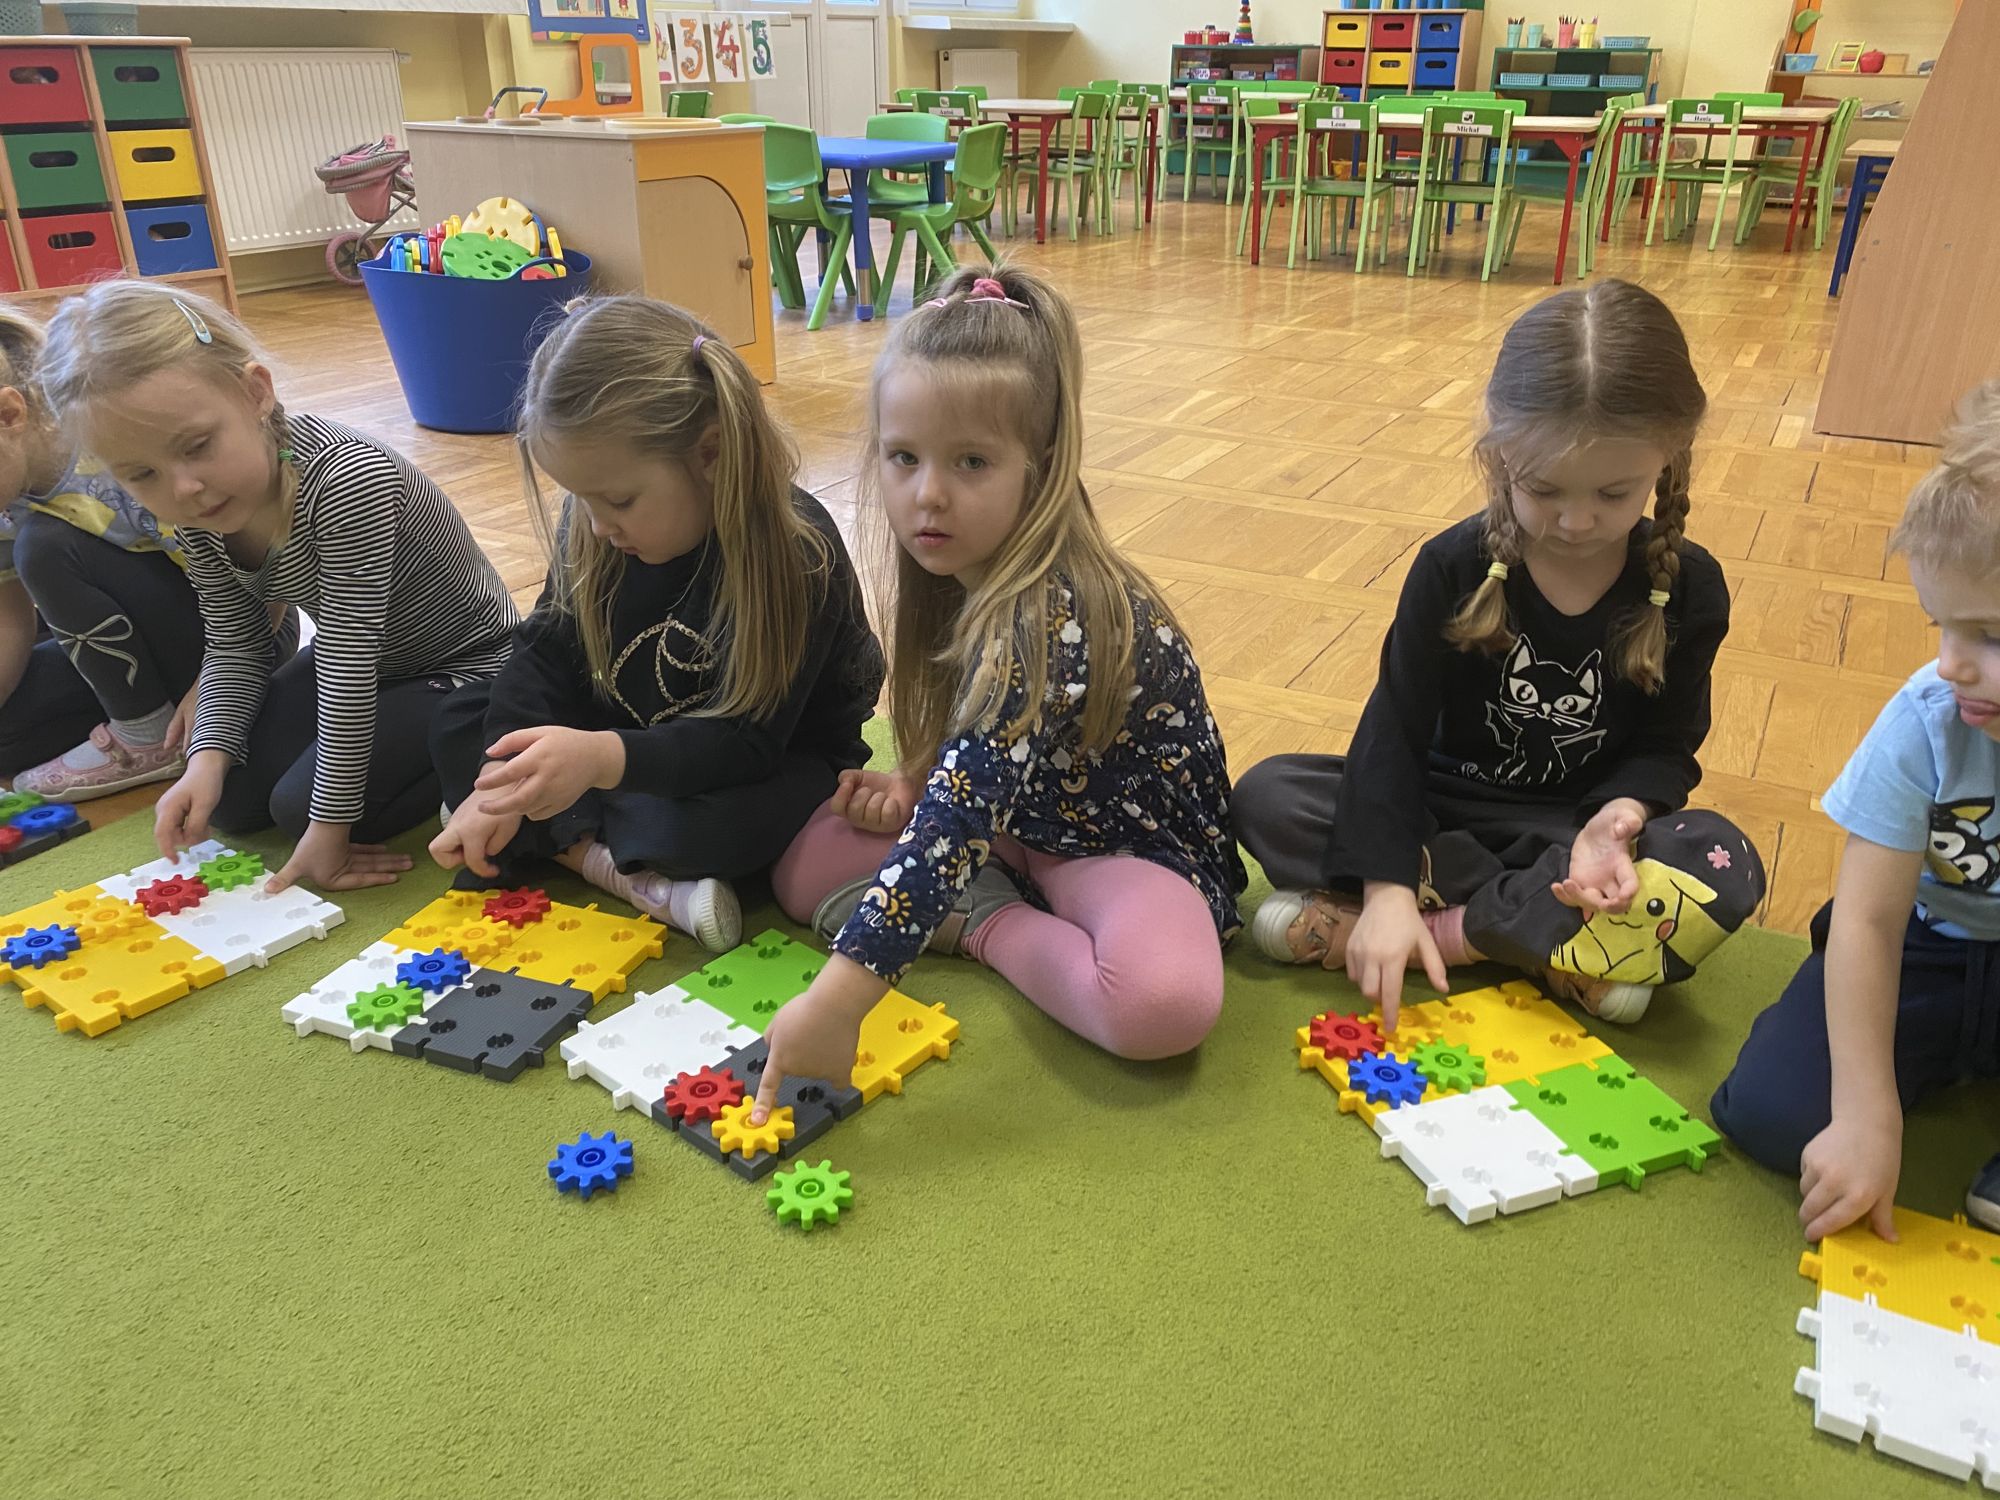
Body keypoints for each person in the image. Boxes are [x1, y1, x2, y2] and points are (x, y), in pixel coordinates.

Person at [755, 265, 1246, 1120]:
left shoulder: (1049, 610)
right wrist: (915, 779)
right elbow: (970, 766)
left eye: (972, 462)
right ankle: (983, 895)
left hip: (1122, 853)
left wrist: (838, 1005)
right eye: (903, 458)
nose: (927, 494)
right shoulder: (963, 564)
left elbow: (954, 824)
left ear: (1040, 469)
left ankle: (989, 922)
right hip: (1012, 822)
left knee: (1162, 1005)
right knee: (801, 871)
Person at [1233, 279, 1764, 1029]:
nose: (1575, 521)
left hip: (1569, 835)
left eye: (1613, 495)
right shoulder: (1451, 566)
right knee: (1269, 794)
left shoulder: (1690, 587)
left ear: (1669, 455)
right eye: (1544, 489)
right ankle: (1545, 942)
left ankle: (1444, 935)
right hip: (1442, 813)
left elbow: (1667, 747)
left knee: (1716, 856)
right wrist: (1387, 885)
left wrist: (1616, 819)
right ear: (1500, 451)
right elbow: (1394, 731)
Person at [429, 296, 883, 951]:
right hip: (629, 738)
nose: (596, 525)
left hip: (764, 758)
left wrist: (597, 760)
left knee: (715, 829)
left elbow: (746, 745)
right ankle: (602, 852)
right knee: (459, 719)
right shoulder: (597, 528)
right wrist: (500, 780)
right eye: (580, 498)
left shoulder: (796, 550)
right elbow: (542, 654)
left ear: (710, 454)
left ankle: (571, 843)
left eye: (618, 500)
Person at [40, 282, 517, 891]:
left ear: (255, 393)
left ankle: (482, 747)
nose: (183, 488)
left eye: (197, 446)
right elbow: (236, 645)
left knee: (301, 811)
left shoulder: (349, 481)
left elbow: (348, 658)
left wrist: (329, 826)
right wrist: (204, 760)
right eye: (142, 474)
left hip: (466, 665)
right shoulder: (200, 511)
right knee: (230, 797)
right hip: (365, 663)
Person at [1713, 382, 2000, 1240]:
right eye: (1940, 625)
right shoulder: (1929, 720)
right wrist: (1866, 1114)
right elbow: (1868, 924)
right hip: (1925, 949)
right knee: (1774, 1112)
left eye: (1990, 635)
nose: (1951, 664)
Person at [0, 304, 211, 799]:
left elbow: (255, 579)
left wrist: (213, 689)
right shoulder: (5, 491)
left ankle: (147, 736)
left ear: (9, 414)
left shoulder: (113, 453)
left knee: (43, 546)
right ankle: (144, 715)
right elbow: (10, 621)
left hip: (236, 635)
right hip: (140, 639)